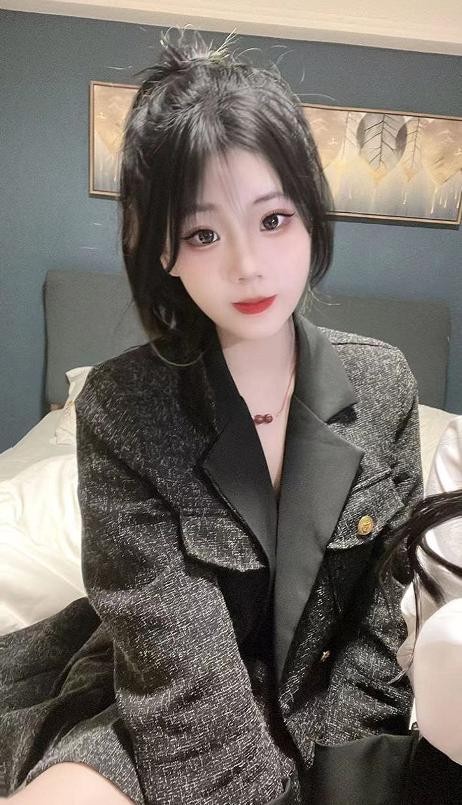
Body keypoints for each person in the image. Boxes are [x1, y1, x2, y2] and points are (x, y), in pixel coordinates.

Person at [0, 30, 422, 804]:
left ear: (310, 213)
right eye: (203, 233)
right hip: (157, 708)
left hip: (328, 721)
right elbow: (179, 687)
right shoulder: (123, 407)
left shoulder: (383, 383)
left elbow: (373, 636)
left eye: (273, 220)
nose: (247, 266)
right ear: (165, 251)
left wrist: (346, 782)